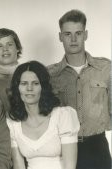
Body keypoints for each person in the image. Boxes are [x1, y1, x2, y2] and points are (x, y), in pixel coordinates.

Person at [48, 9, 111, 169]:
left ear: (86, 35)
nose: (74, 39)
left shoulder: (105, 69)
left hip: (98, 147)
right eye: (68, 34)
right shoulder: (50, 75)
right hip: (63, 148)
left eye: (78, 33)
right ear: (60, 37)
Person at [7, 61, 80, 169]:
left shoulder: (63, 116)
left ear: (43, 87)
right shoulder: (14, 124)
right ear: (17, 88)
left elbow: (70, 167)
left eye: (35, 83)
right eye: (24, 83)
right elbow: (19, 166)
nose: (29, 88)